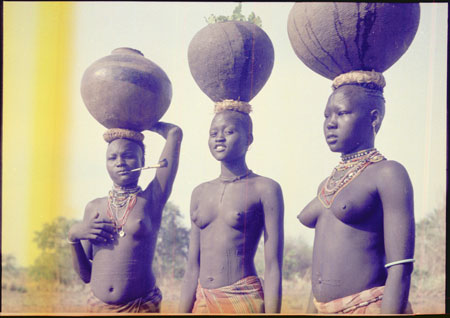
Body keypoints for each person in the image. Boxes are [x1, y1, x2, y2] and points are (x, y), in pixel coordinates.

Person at [298, 71, 415, 315]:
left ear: (374, 118)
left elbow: (400, 268)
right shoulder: (326, 184)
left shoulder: (388, 174)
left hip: (368, 306)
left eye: (342, 113)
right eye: (327, 115)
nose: (331, 123)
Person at [179, 101, 284, 314]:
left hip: (243, 299)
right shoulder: (200, 192)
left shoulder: (265, 188)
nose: (219, 137)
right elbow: (191, 267)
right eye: (213, 132)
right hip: (202, 300)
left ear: (249, 139)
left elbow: (273, 266)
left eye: (229, 131)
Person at [67, 122, 182, 313]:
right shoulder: (94, 207)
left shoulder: (151, 199)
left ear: (142, 161)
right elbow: (86, 275)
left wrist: (143, 122)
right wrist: (73, 237)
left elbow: (174, 133)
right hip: (98, 307)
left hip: (141, 305)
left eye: (128, 156)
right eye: (112, 158)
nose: (119, 162)